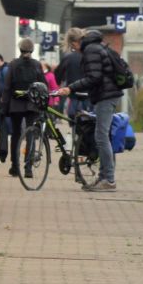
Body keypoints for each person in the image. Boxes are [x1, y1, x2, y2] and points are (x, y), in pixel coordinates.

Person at [58, 28, 124, 192]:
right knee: (100, 136)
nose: (75, 51)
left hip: (106, 95)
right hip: (105, 94)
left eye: (73, 48)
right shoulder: (95, 46)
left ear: (75, 42)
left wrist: (71, 88)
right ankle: (103, 177)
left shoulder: (90, 50)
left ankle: (109, 179)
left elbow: (94, 77)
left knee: (101, 136)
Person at [0, 38, 48, 177]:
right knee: (31, 134)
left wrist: (4, 106)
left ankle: (15, 167)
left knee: (16, 135)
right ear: (32, 50)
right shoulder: (37, 65)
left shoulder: (13, 64)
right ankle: (28, 169)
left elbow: (7, 86)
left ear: (20, 49)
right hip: (32, 104)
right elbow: (43, 84)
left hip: (16, 104)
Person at [55, 27, 85, 117]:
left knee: (74, 119)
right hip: (92, 96)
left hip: (74, 95)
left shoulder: (68, 58)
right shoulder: (90, 54)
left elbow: (57, 77)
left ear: (71, 43)